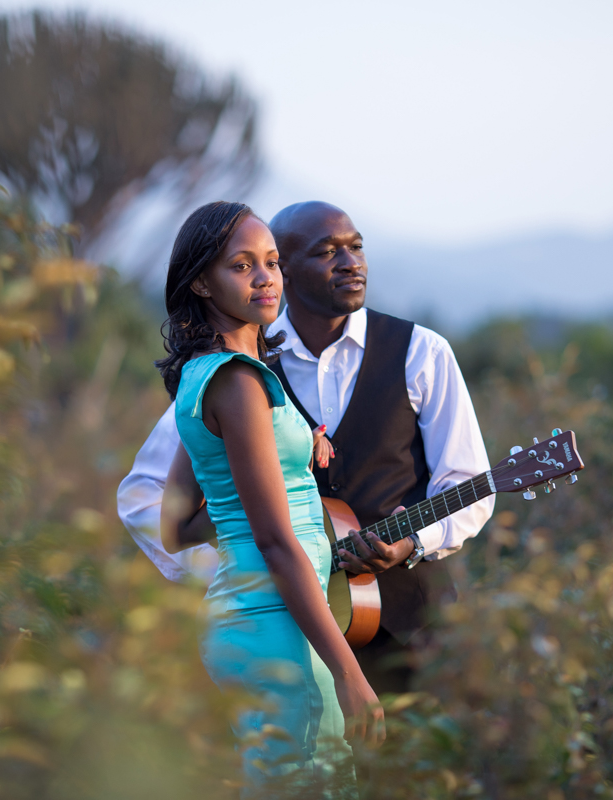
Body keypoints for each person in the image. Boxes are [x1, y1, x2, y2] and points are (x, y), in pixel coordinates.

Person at [118, 201, 493, 692]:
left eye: (356, 247)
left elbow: (470, 483)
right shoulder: (239, 366)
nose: (350, 262)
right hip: (291, 639)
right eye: (327, 252)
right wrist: (237, 570)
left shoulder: (422, 352)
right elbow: (147, 495)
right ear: (289, 272)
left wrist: (412, 543)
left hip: (414, 633)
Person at [155, 201, 377, 796]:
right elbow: (278, 544)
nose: (266, 278)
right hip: (278, 623)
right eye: (242, 266)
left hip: (248, 623)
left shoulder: (205, 375)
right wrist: (348, 671)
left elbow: (179, 523)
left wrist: (285, 463)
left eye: (273, 262)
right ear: (201, 281)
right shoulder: (238, 381)